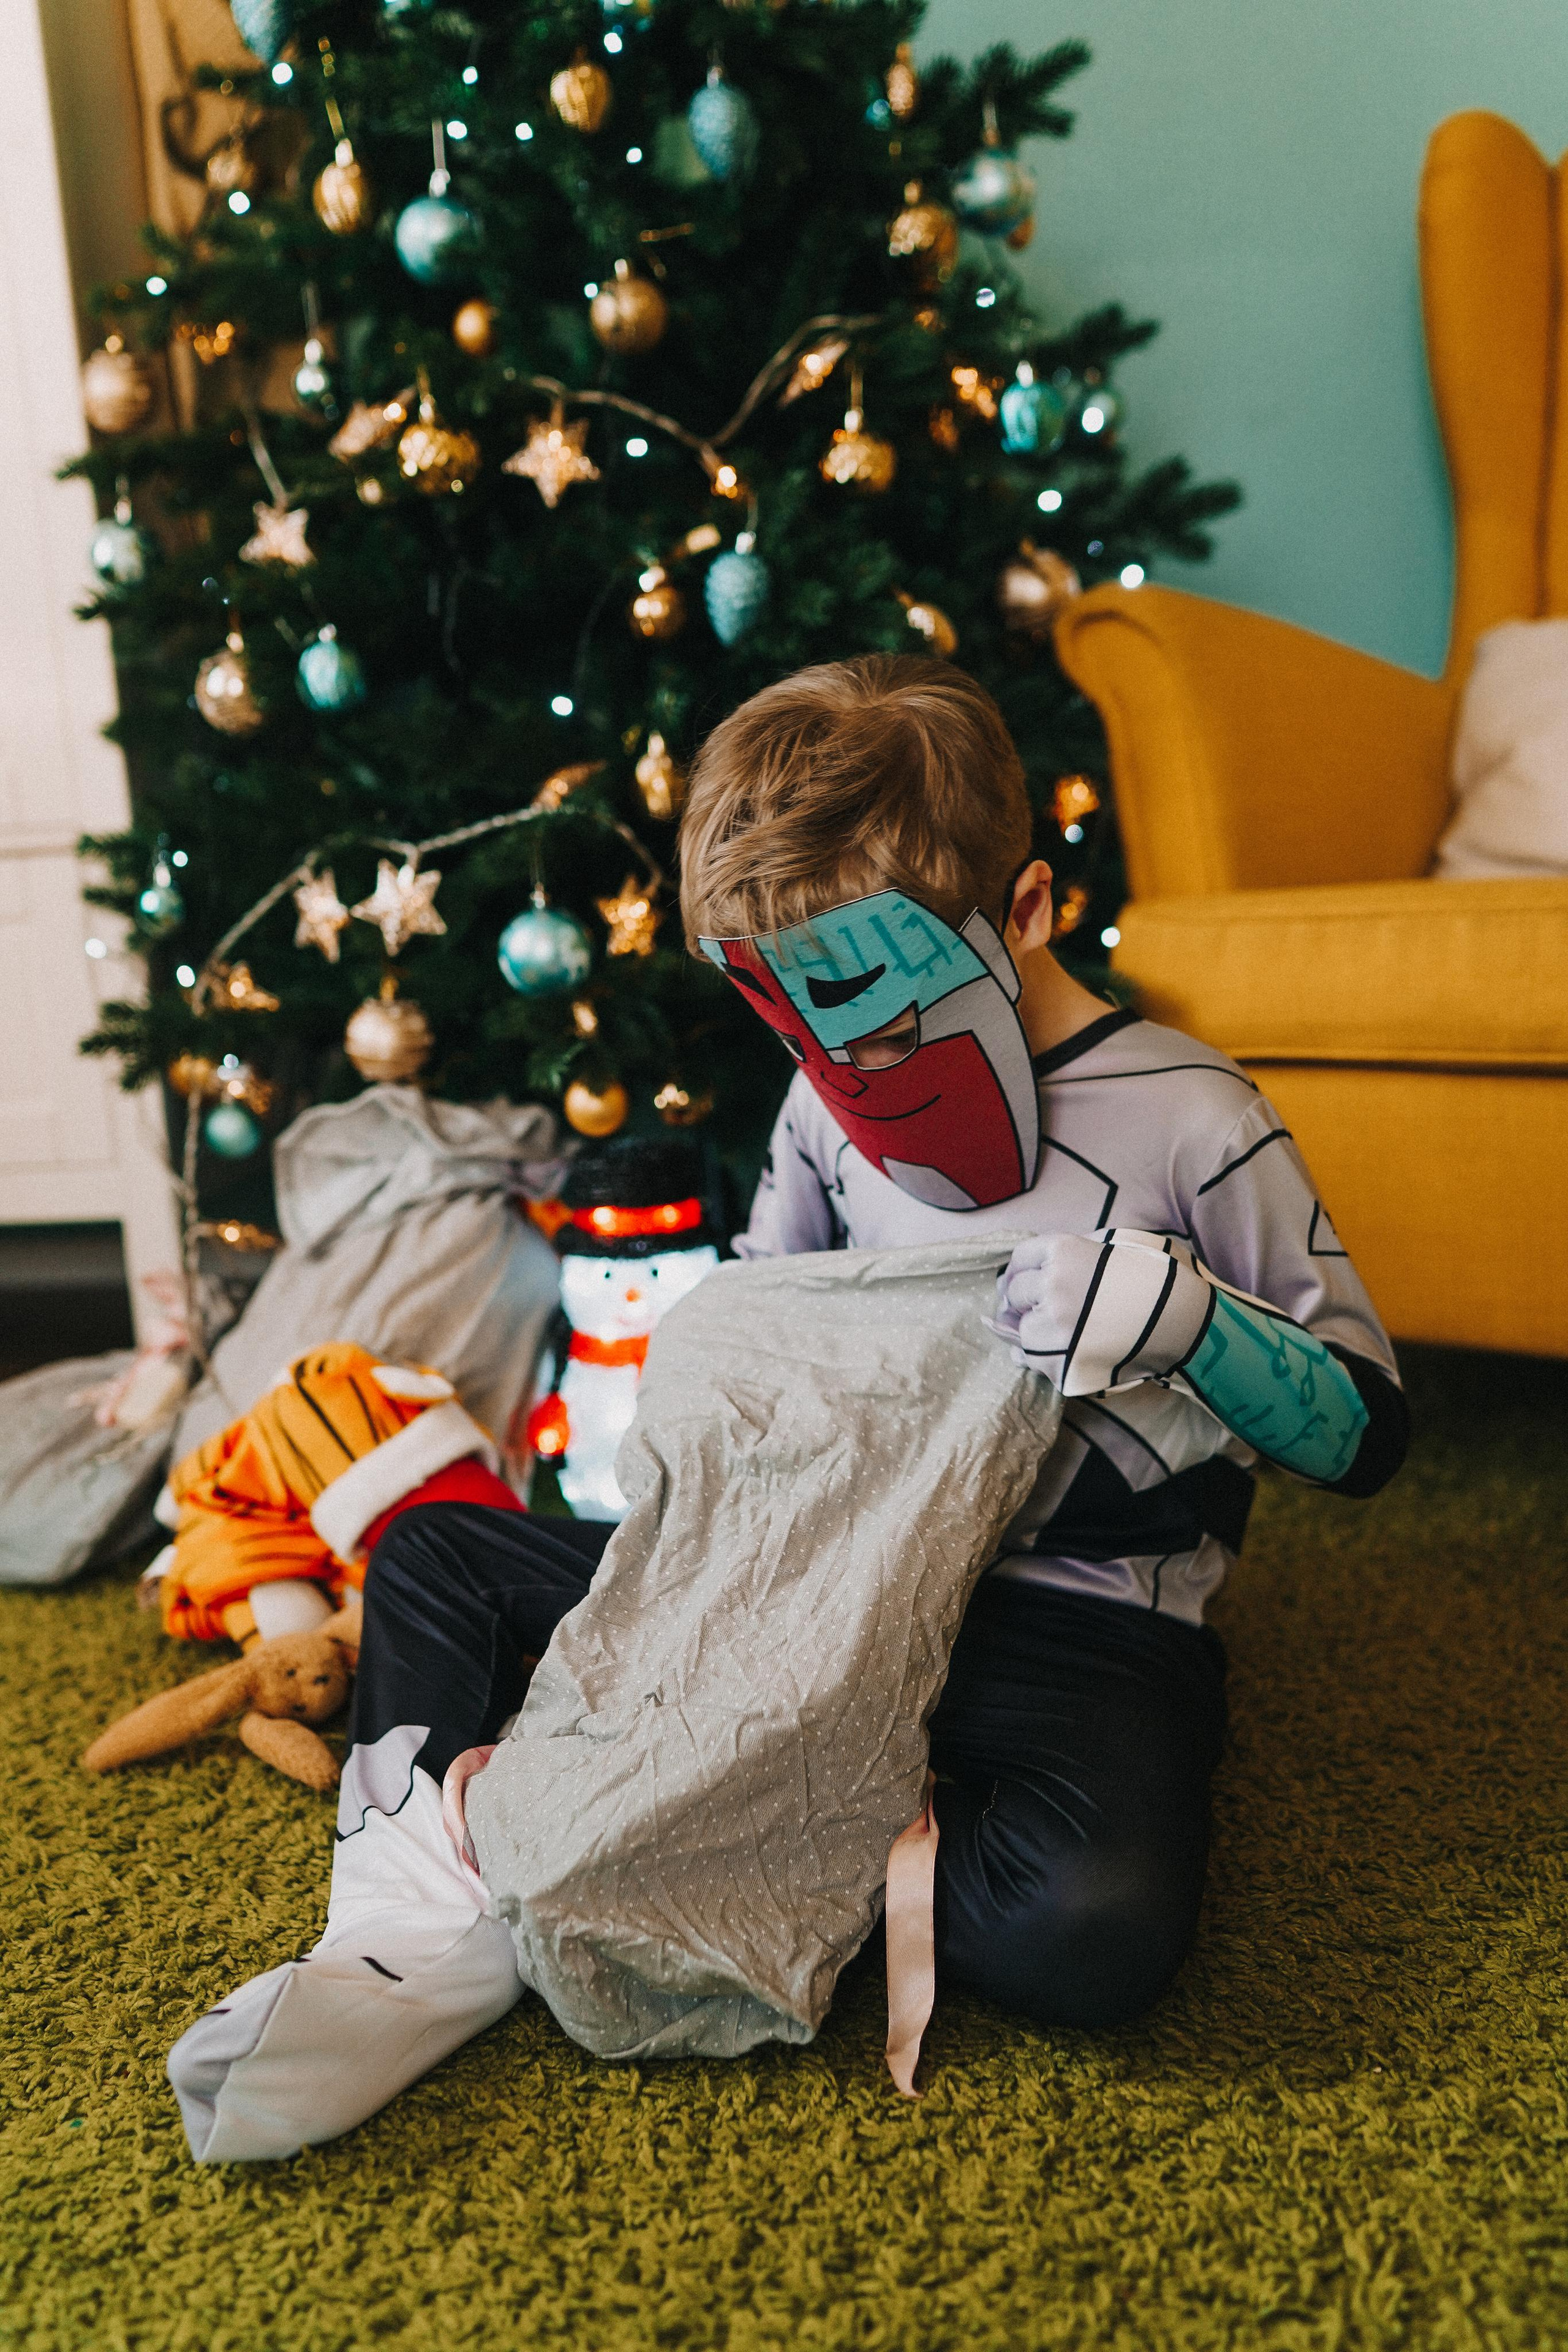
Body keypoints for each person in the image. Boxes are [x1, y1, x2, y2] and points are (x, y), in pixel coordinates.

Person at [167, 655, 1406, 2162]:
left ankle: (657, 1826)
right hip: (809, 1593)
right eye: (811, 1036)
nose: (854, 1075)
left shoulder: (1195, 1119)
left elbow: (1362, 1428)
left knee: (1098, 1930)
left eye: (887, 1030)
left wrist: (1194, 1323)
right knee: (432, 1558)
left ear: (1021, 914)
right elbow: (772, 1321)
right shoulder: (823, 1106)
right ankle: (415, 1924)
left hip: (1074, 1615)